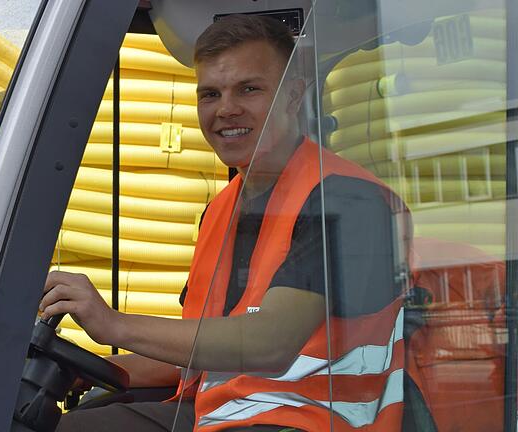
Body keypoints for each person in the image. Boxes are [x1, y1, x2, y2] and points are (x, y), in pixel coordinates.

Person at [42, 14, 409, 432]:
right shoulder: (222, 211)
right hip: (222, 414)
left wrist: (113, 324)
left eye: (248, 89)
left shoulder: (346, 200)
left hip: (310, 420)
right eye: (210, 94)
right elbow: (198, 355)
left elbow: (269, 343)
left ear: (293, 96)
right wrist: (81, 364)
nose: (226, 109)